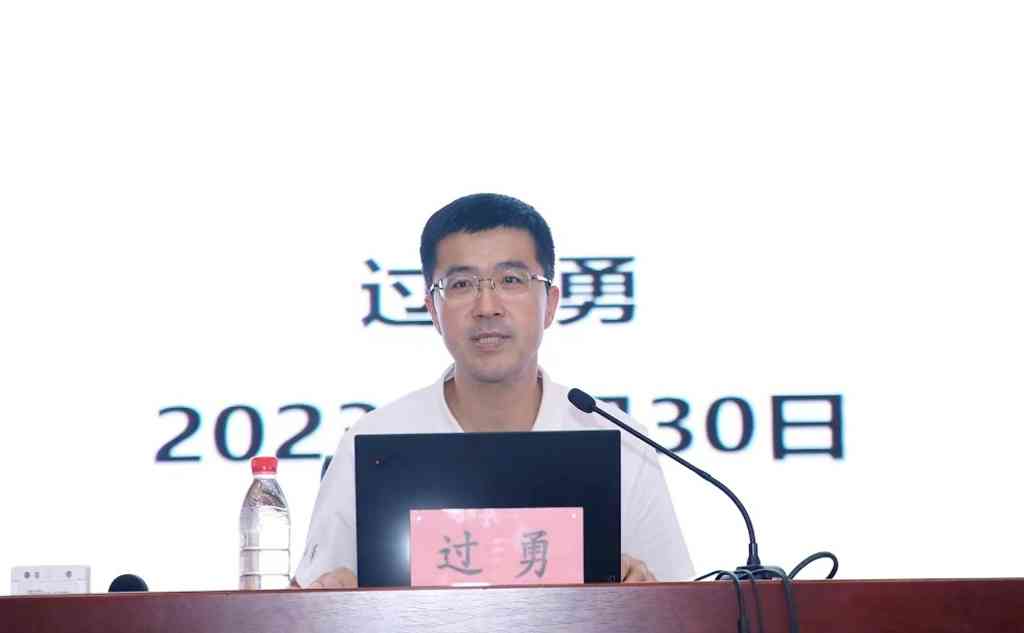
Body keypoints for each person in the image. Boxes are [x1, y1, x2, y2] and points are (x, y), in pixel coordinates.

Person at [294, 193, 693, 588]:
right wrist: (330, 595)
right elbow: (306, 599)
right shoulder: (373, 440)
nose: (487, 306)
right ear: (433, 310)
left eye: (511, 280)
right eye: (461, 284)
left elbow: (682, 603)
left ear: (551, 303)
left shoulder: (621, 441)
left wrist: (646, 591)